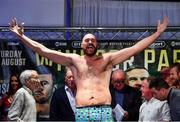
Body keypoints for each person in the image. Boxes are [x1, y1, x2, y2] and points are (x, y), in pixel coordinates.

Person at [9, 16, 168, 121]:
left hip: (105, 111)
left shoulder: (108, 60)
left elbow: (136, 48)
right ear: (82, 45)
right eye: (87, 40)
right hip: (83, 112)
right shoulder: (73, 60)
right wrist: (21, 37)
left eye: (93, 40)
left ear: (96, 44)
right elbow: (42, 50)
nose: (90, 42)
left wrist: (157, 33)